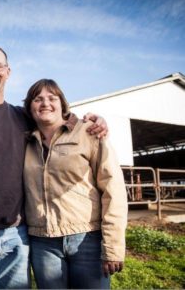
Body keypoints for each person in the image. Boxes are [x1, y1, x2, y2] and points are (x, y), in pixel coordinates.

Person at [0, 46, 108, 290]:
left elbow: (53, 117)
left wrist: (90, 120)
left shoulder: (21, 118)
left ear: (8, 71)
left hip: (18, 235)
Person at [23, 79, 128, 289]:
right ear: (29, 107)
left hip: (87, 238)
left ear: (63, 104)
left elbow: (113, 189)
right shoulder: (24, 140)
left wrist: (113, 246)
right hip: (42, 241)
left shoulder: (88, 132)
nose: (45, 103)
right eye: (38, 99)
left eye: (52, 98)